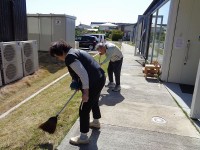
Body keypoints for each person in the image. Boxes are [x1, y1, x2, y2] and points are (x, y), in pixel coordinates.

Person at [49, 40, 106, 145]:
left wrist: (86, 93)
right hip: (100, 77)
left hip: (94, 81)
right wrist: (75, 81)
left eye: (57, 56)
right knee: (93, 101)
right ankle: (96, 122)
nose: (58, 58)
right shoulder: (75, 51)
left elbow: (83, 75)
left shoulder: (70, 58)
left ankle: (83, 137)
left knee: (84, 109)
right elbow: (80, 72)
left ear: (61, 51)